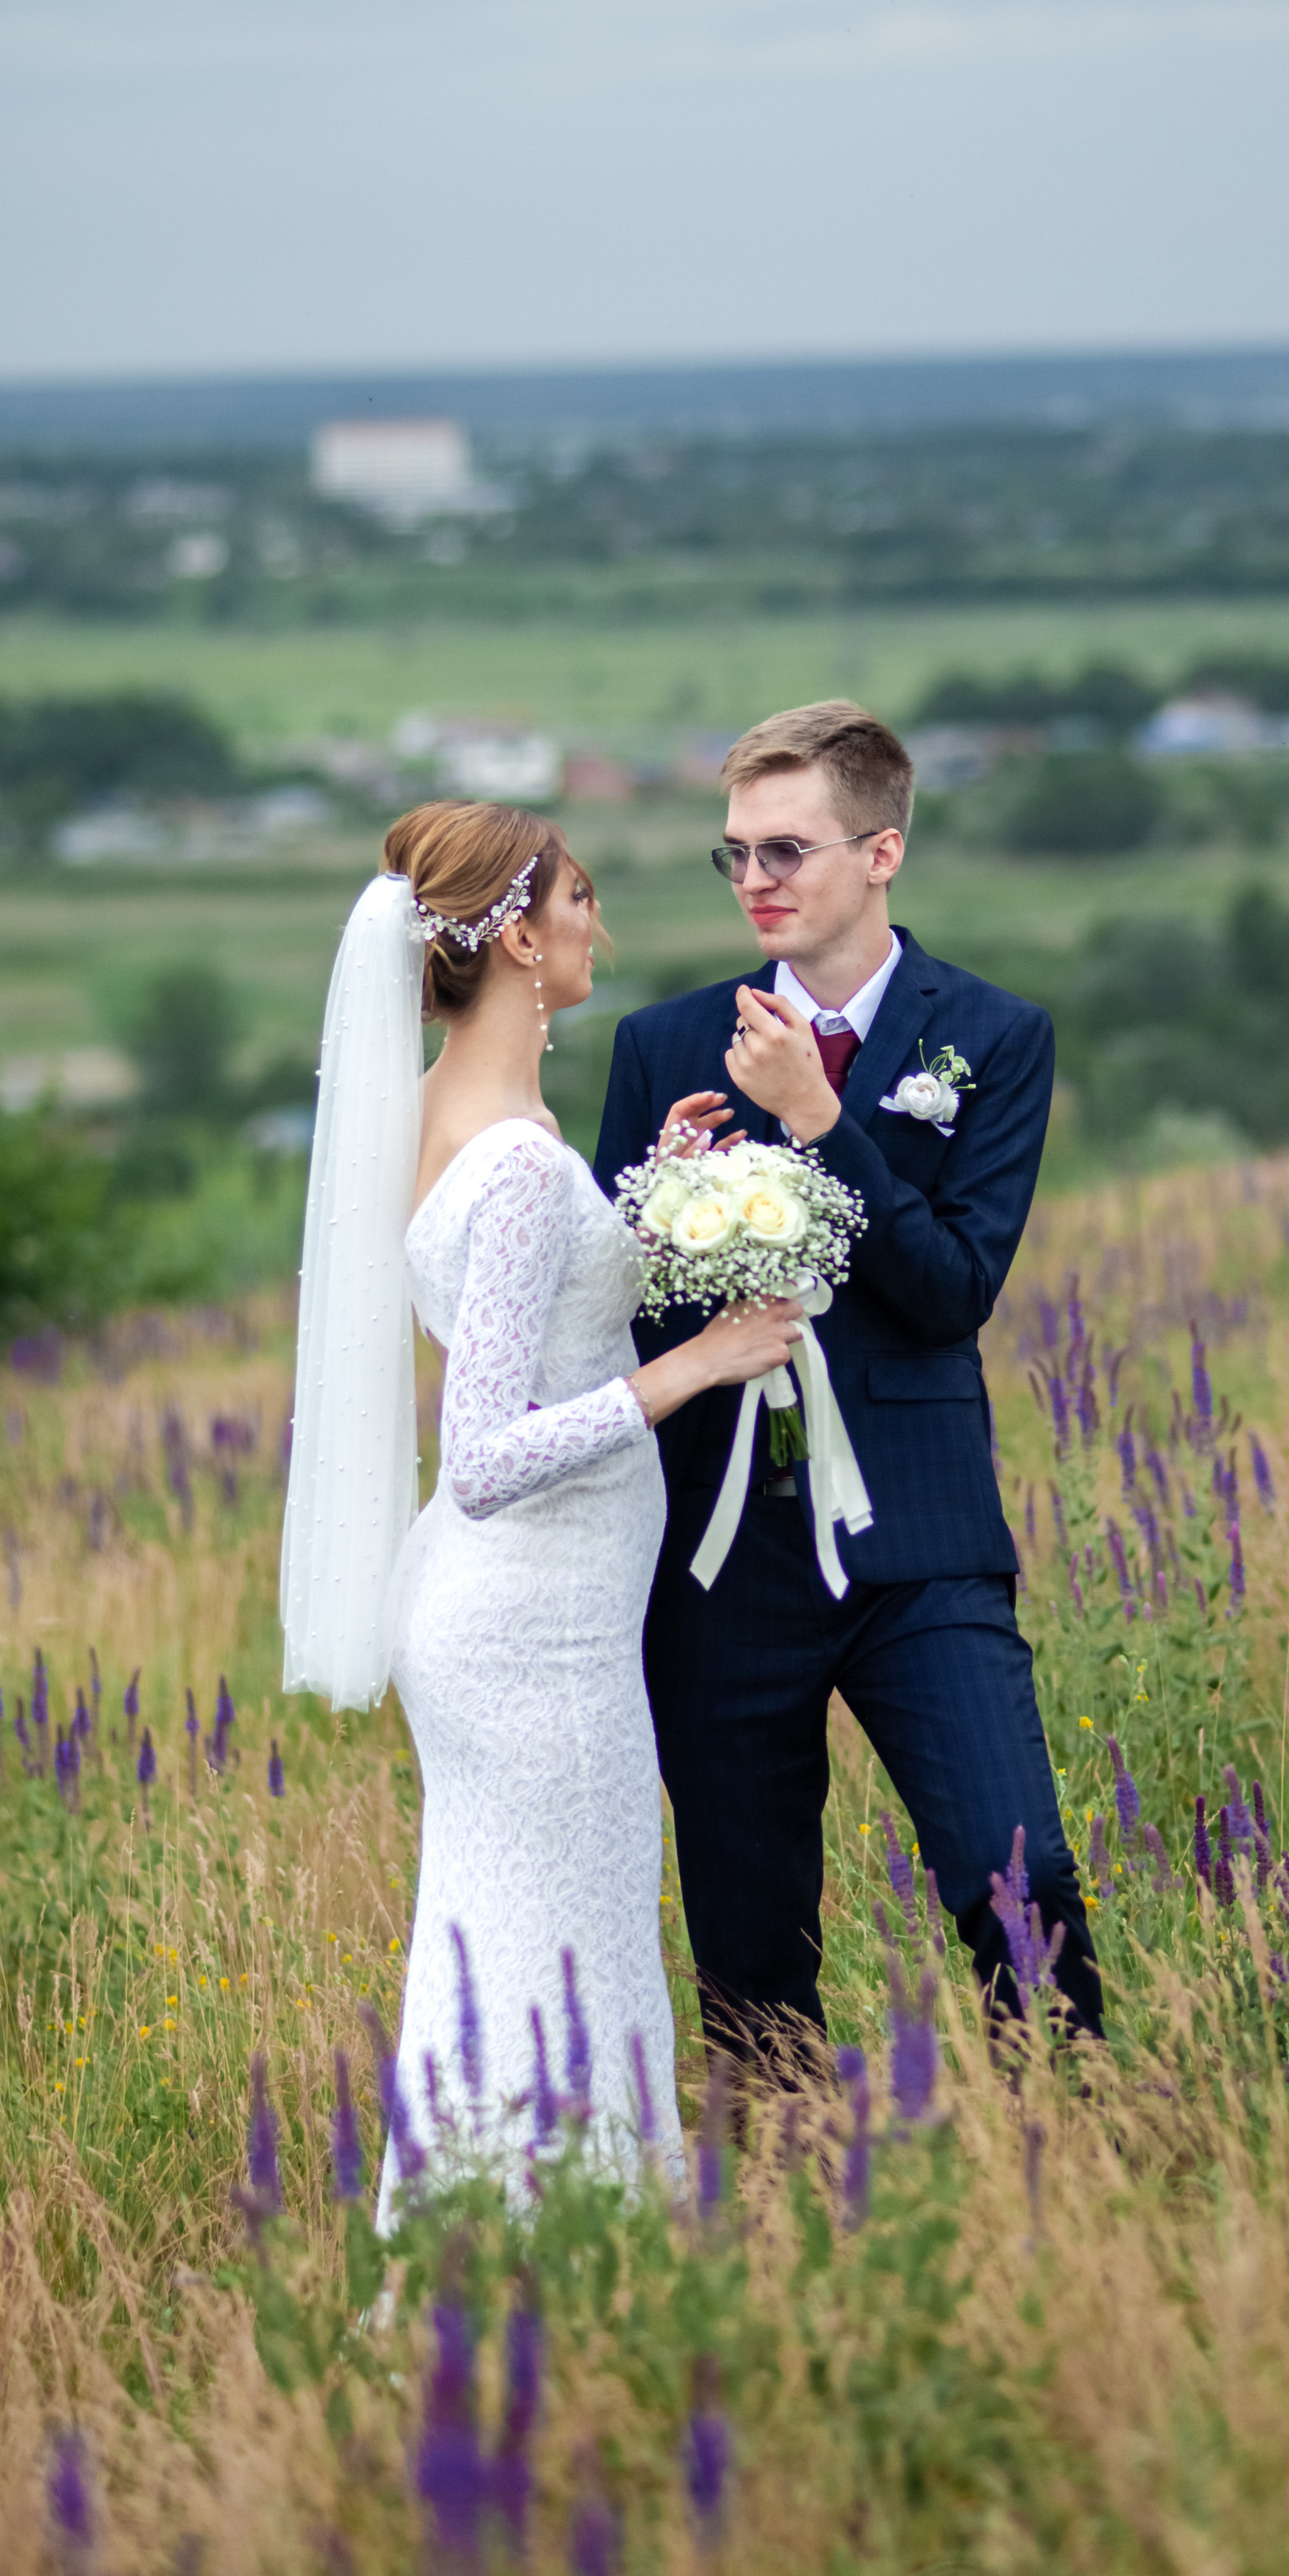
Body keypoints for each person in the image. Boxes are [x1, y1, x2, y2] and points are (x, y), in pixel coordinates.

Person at [279, 800, 800, 2223]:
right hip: (533, 1639)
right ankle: (554, 2257)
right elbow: (490, 1453)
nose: (596, 924)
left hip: (522, 1628)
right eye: (577, 897)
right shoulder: (511, 1158)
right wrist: (693, 1364)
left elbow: (522, 1307)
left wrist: (639, 1215)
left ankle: (508, 2253)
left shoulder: (477, 1120)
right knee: (563, 1957)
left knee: (524, 1949)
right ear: (515, 935)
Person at [594, 701, 1102, 2060]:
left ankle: (1085, 2142)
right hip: (718, 1558)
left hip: (920, 1540)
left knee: (1018, 1867)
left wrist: (822, 1123)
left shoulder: (994, 1037)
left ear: (881, 852)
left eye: (785, 850)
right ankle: (780, 2196)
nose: (755, 881)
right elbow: (617, 1317)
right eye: (734, 855)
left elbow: (950, 1294)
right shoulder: (665, 1045)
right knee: (750, 1931)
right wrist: (650, 1208)